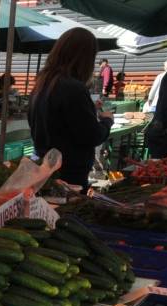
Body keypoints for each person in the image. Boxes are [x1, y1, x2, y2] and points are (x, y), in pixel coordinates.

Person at [28, 28, 113, 189]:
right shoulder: (73, 88)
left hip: (46, 167)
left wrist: (88, 108)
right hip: (69, 174)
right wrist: (107, 121)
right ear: (85, 58)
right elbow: (92, 135)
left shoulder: (43, 83)